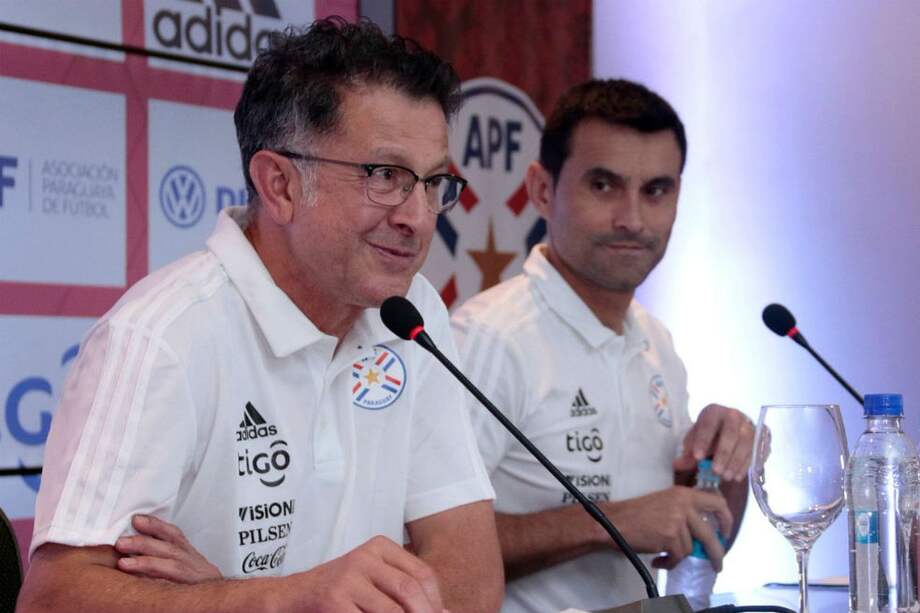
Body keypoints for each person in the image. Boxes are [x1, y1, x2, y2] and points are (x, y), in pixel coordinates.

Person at [17, 18, 503, 613]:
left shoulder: (412, 312)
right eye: (386, 177)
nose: (420, 217)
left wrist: (230, 594)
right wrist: (280, 598)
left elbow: (471, 577)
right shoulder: (161, 337)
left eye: (432, 183)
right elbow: (52, 599)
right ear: (279, 184)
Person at [450, 79, 753, 613]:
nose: (633, 219)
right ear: (542, 190)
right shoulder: (488, 339)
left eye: (656, 190)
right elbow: (429, 549)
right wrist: (610, 521)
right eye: (604, 185)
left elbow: (697, 542)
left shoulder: (656, 340)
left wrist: (725, 465)